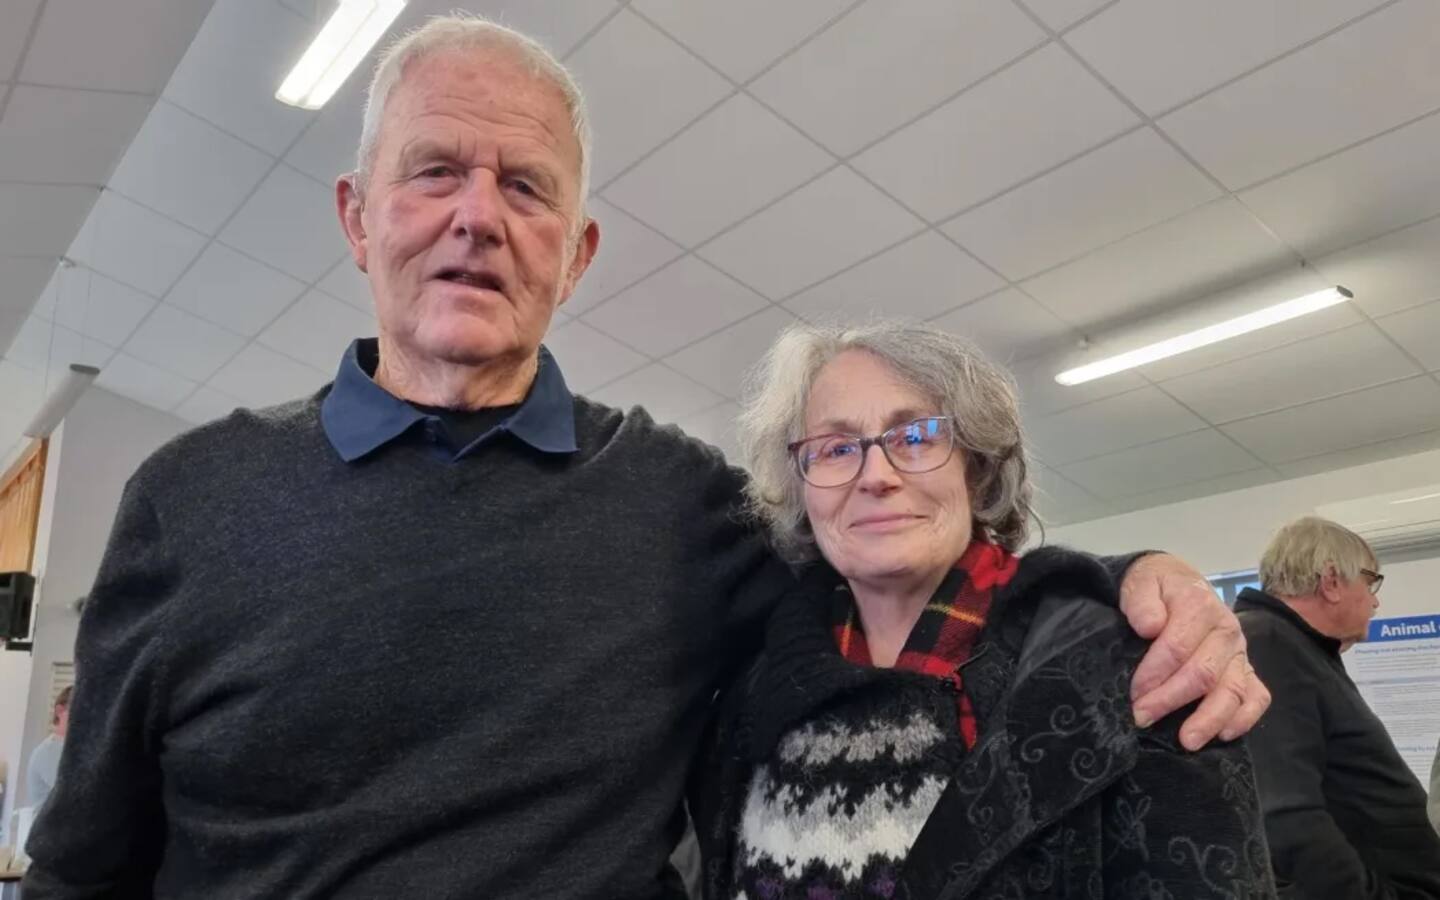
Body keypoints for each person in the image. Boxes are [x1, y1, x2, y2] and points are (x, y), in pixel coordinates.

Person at [24, 14, 1269, 899]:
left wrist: (1134, 580)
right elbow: (86, 866)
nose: (477, 215)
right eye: (435, 172)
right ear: (359, 218)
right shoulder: (188, 502)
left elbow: (901, 554)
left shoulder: (687, 508)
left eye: (526, 187)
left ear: (578, 253)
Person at [691, 322, 1276, 899]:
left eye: (915, 436)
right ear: (802, 487)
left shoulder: (1134, 660)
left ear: (977, 467)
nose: (876, 475)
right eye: (836, 448)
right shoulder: (753, 696)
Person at [1236, 517, 1440, 898]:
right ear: (1331, 581)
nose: (1375, 599)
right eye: (1370, 581)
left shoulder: (1297, 646)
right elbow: (1285, 814)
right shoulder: (1267, 641)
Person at [24, 688, 70, 814]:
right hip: (54, 831)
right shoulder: (49, 751)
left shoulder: (68, 749)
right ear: (60, 711)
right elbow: (75, 794)